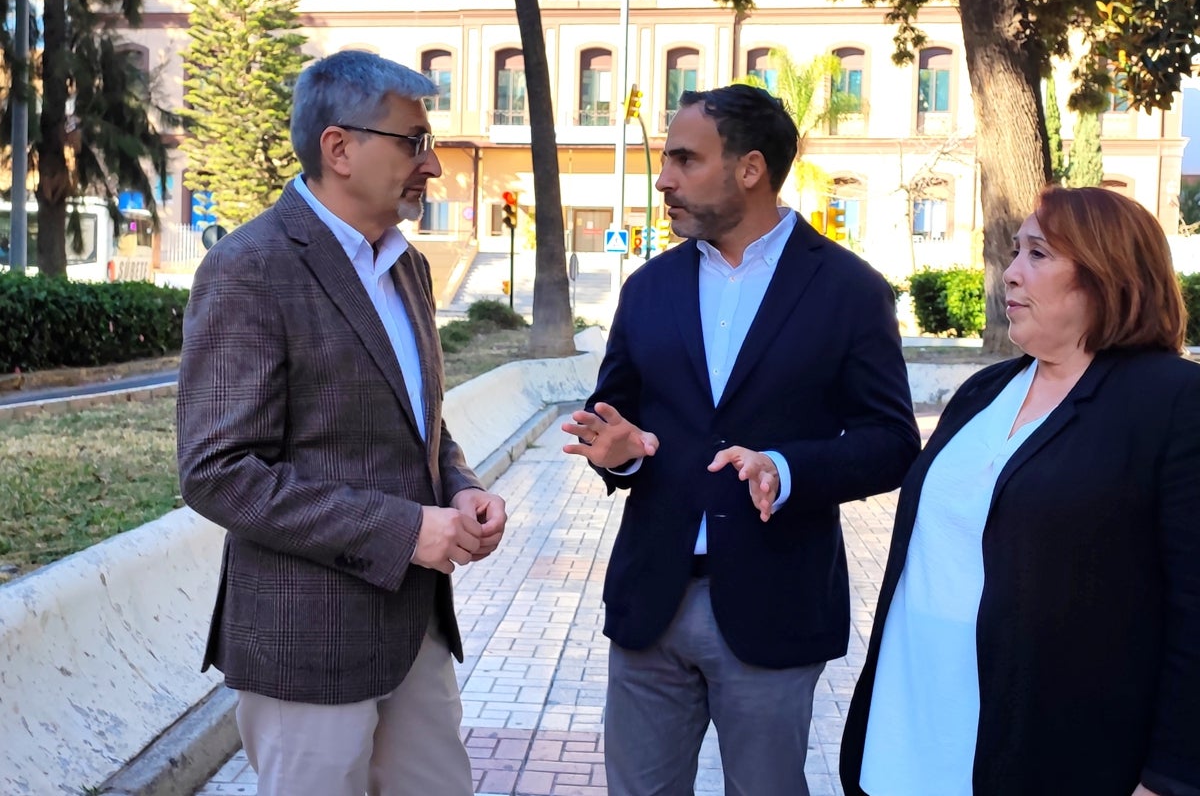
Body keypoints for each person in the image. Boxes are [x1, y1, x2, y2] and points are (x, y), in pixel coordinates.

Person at [562, 84, 921, 796]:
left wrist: (786, 468)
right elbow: (615, 415)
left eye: (685, 160)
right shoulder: (648, 288)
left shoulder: (849, 290)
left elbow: (891, 441)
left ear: (749, 169)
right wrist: (622, 451)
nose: (664, 178)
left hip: (775, 605)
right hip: (650, 603)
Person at [176, 50, 507, 796]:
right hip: (306, 644)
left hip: (416, 633)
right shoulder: (250, 267)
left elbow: (417, 420)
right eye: (413, 142)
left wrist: (459, 488)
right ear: (339, 148)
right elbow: (216, 473)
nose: (433, 166)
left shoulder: (409, 267)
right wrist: (403, 531)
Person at [841, 185, 1200, 796]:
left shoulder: (1172, 402)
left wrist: (1168, 778)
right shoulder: (984, 391)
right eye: (1015, 252)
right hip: (911, 718)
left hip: (1050, 748)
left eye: (1037, 254)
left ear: (1104, 273)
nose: (1010, 274)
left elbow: (1194, 608)